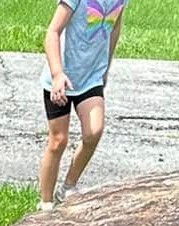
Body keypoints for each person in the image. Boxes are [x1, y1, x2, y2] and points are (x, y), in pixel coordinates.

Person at [38, 0, 126, 209]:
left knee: (94, 131)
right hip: (60, 80)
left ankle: (68, 187)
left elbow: (114, 29)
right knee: (58, 141)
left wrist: (106, 68)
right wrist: (57, 74)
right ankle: (45, 203)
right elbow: (52, 32)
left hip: (90, 78)